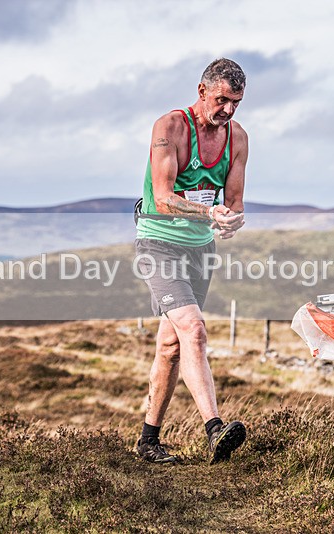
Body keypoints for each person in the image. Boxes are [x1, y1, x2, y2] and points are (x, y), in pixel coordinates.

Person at [134, 58, 249, 464]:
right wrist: (210, 213)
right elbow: (164, 198)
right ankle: (215, 430)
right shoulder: (169, 128)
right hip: (159, 244)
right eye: (222, 100)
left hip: (201, 250)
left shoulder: (238, 138)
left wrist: (232, 219)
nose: (228, 109)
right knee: (194, 330)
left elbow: (234, 200)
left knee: (171, 346)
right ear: (202, 92)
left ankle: (148, 442)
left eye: (236, 102)